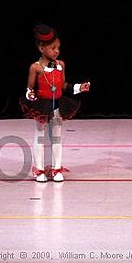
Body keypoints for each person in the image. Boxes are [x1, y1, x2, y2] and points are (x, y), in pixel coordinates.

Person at [20, 24, 90, 182]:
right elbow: (29, 88)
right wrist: (30, 95)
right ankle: (39, 169)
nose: (57, 51)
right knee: (40, 136)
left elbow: (64, 86)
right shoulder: (35, 68)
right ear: (41, 48)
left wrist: (79, 87)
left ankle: (56, 168)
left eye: (58, 48)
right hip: (42, 106)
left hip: (57, 104)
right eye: (53, 48)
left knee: (57, 137)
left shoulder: (61, 65)